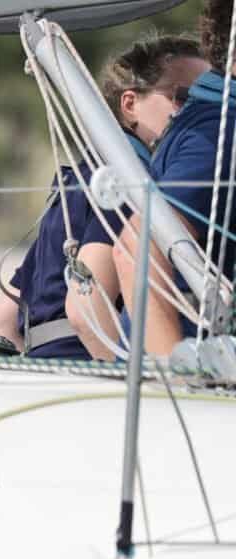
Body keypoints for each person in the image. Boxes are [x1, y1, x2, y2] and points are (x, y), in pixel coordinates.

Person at [0, 35, 209, 360]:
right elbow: (84, 309)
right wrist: (129, 377)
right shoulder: (122, 185)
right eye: (184, 97)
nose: (195, 112)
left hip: (48, 375)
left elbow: (2, 321)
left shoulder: (77, 181)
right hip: (91, 375)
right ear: (130, 104)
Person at [114, 1, 236, 355]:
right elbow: (137, 244)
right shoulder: (222, 132)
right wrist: (175, 380)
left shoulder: (208, 121)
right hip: (195, 388)